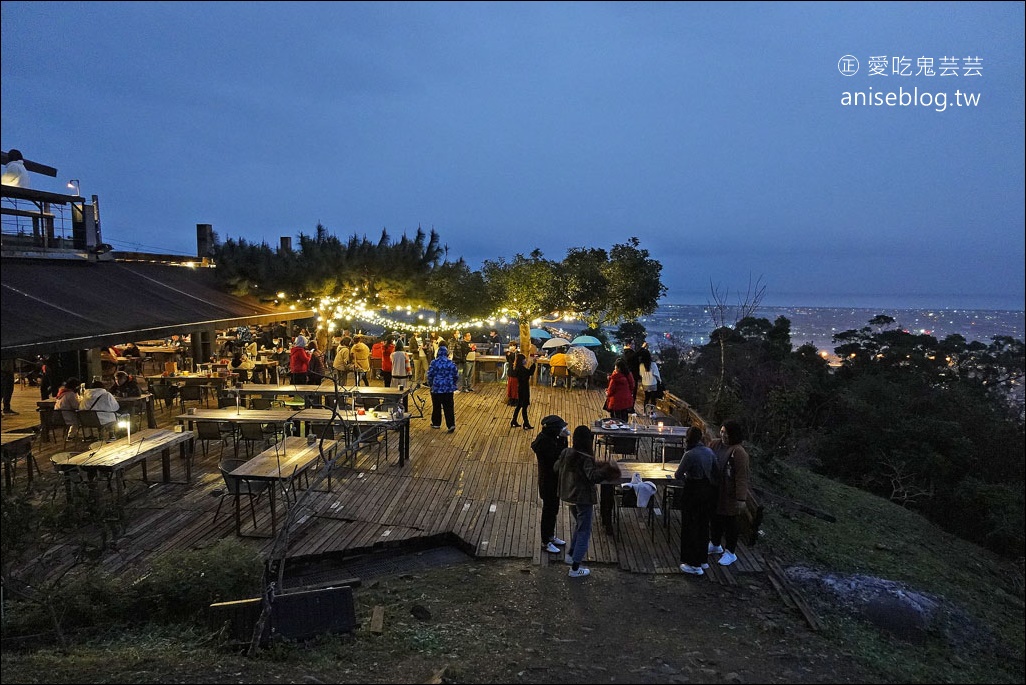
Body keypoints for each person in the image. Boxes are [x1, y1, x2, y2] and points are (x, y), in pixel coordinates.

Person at [555, 425, 610, 578]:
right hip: (583, 498)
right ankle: (575, 567)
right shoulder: (585, 457)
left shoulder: (567, 452)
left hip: (569, 496)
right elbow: (592, 477)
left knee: (579, 526)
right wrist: (606, 471)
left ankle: (571, 554)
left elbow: (556, 467)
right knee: (584, 531)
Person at [674, 427, 719, 576]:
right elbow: (716, 472)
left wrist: (687, 475)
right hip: (707, 491)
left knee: (690, 526)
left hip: (693, 491)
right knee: (703, 525)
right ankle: (703, 560)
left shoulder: (689, 454)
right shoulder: (709, 452)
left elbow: (678, 475)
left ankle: (693, 564)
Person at [707, 419, 751, 567]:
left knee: (730, 521)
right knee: (715, 517)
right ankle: (715, 543)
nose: (724, 435)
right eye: (722, 432)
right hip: (715, 488)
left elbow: (741, 476)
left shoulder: (739, 452)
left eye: (727, 433)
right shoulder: (714, 444)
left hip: (730, 491)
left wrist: (741, 498)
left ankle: (730, 552)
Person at [531, 415, 570, 554]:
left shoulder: (551, 439)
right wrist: (564, 441)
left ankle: (550, 536)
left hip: (554, 481)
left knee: (554, 509)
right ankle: (545, 541)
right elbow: (558, 458)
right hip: (548, 482)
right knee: (548, 511)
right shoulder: (544, 444)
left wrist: (563, 439)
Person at [426, 346, 458, 432]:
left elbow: (430, 375)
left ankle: (436, 423)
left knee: (436, 406)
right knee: (449, 407)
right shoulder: (451, 363)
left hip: (436, 388)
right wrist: (453, 384)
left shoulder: (434, 363)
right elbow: (456, 375)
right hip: (448, 388)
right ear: (446, 353)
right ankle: (451, 424)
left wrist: (430, 384)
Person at [509, 353, 537, 430]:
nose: (525, 360)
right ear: (522, 360)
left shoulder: (518, 368)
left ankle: (514, 420)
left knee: (519, 405)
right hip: (524, 388)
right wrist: (534, 364)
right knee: (524, 406)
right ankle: (526, 423)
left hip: (520, 388)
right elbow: (530, 373)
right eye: (524, 359)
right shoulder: (521, 369)